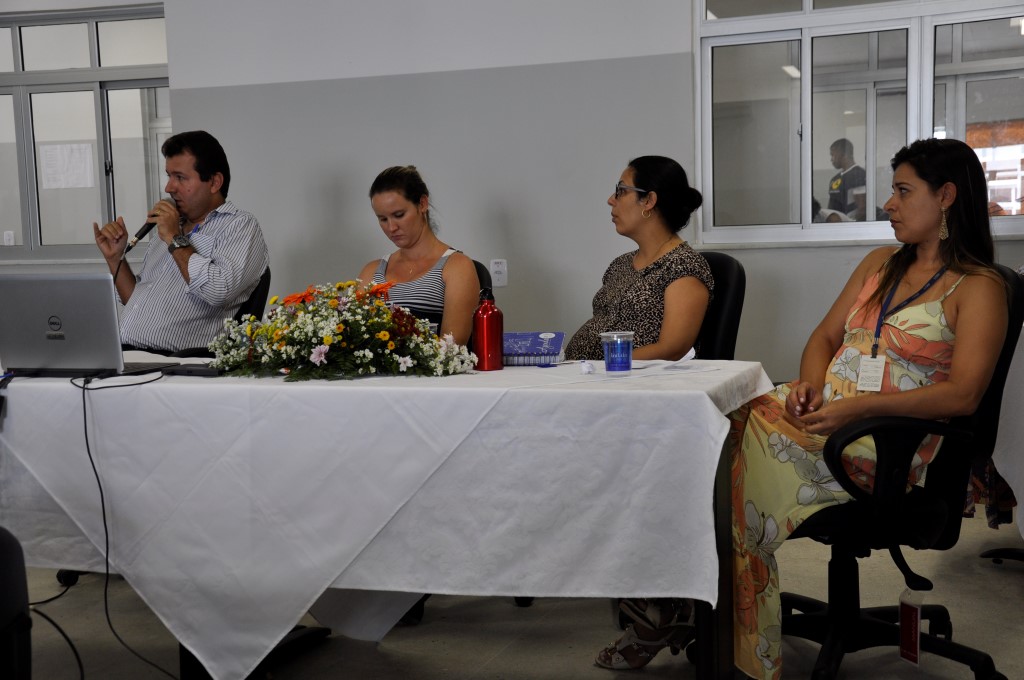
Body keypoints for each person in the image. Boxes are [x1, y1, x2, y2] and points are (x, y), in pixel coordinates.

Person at [727, 137, 1007, 679]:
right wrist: (810, 387)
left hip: (885, 444)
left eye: (903, 191)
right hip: (827, 417)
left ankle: (745, 650)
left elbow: (964, 395)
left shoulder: (979, 287)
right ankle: (709, 618)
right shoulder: (880, 263)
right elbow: (824, 337)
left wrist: (856, 411)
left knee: (742, 456)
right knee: (721, 422)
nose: (888, 204)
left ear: (946, 196)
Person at [92, 130, 269, 353]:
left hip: (178, 362)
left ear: (214, 182)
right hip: (128, 355)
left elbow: (218, 291)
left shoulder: (240, 226)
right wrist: (116, 258)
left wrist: (174, 238)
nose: (169, 188)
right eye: (169, 176)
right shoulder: (170, 226)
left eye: (180, 177)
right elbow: (134, 300)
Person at [564, 156, 713, 363]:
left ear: (649, 201)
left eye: (621, 191)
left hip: (623, 379)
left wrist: (605, 366)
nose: (611, 199)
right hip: (582, 373)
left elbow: (672, 349)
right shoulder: (620, 264)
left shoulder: (683, 267)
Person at [358, 166, 480, 346]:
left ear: (422, 204)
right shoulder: (371, 271)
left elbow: (452, 347)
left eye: (399, 215)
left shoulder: (457, 267)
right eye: (382, 219)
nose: (391, 228)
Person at [827, 138, 867, 217]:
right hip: (834, 223)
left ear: (843, 154)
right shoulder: (835, 179)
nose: (831, 159)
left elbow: (862, 208)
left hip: (849, 223)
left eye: (833, 155)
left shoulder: (858, 174)